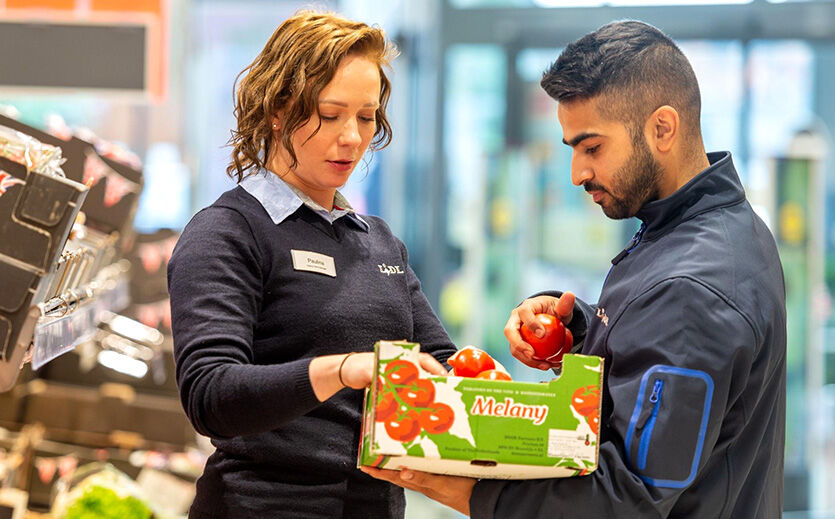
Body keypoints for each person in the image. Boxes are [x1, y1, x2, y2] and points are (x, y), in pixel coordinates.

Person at [363, 20, 786, 518]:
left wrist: (467, 492)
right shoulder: (716, 226)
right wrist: (582, 326)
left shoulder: (694, 287)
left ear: (663, 128)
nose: (577, 174)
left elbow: (626, 499)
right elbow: (668, 354)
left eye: (592, 147)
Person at [167, 10, 455, 518]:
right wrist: (341, 370)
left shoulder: (378, 242)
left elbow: (441, 366)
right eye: (329, 113)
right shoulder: (229, 231)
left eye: (367, 117)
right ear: (279, 109)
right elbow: (211, 393)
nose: (352, 137)